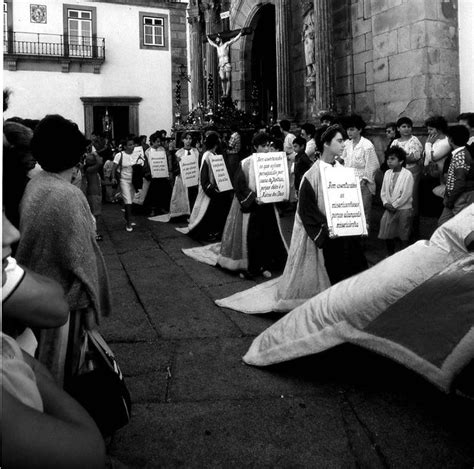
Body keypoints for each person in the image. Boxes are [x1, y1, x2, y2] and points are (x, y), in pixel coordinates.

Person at [16, 114, 111, 386]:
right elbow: (82, 259)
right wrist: (91, 307)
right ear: (76, 154)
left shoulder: (36, 184)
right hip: (64, 305)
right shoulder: (67, 195)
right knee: (65, 375)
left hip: (36, 296)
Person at [298, 125, 368, 284]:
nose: (344, 144)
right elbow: (306, 210)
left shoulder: (344, 170)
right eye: (340, 140)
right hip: (328, 238)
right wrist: (325, 229)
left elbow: (352, 201)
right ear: (326, 143)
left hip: (347, 234)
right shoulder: (311, 176)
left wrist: (360, 223)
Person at [218, 133, 288, 278]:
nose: (267, 149)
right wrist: (253, 199)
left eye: (268, 145)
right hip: (252, 208)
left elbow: (279, 182)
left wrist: (280, 193)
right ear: (255, 147)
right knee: (252, 236)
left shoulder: (274, 161)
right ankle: (253, 267)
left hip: (268, 206)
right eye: (263, 146)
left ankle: (266, 264)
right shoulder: (246, 163)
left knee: (268, 234)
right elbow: (239, 185)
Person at [180, 132, 233, 241]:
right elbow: (204, 175)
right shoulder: (207, 155)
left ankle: (214, 231)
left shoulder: (212, 154)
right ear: (216, 144)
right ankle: (207, 233)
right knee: (206, 213)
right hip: (208, 189)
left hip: (214, 187)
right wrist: (209, 187)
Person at [341, 115, 379, 230]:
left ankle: (362, 236)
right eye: (347, 129)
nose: (349, 132)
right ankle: (351, 234)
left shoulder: (367, 145)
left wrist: (364, 180)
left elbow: (373, 165)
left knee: (363, 210)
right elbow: (342, 160)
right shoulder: (347, 144)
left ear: (360, 130)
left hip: (363, 183)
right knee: (350, 209)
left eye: (352, 129)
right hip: (348, 181)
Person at [390, 117, 423, 239]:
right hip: (398, 173)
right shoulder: (395, 142)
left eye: (409, 126)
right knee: (397, 198)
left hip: (412, 172)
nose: (407, 129)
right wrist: (403, 157)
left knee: (411, 199)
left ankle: (412, 232)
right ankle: (399, 230)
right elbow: (391, 158)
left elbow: (414, 157)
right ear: (398, 128)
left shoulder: (414, 140)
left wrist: (399, 158)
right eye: (403, 126)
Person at [378, 146, 414, 255]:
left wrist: (395, 205)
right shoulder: (387, 173)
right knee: (388, 232)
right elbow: (383, 191)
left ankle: (404, 256)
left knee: (403, 233)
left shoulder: (407, 174)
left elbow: (406, 194)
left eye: (393, 159)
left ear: (401, 161)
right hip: (389, 208)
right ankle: (390, 254)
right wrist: (386, 203)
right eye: (388, 159)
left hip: (403, 208)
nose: (389, 161)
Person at [438, 125, 474, 226]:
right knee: (443, 224)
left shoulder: (461, 155)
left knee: (460, 226)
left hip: (459, 197)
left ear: (450, 139)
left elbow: (460, 182)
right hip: (454, 196)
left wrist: (450, 200)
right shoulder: (459, 154)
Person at [111, 135, 144, 231]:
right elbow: (114, 168)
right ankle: (129, 223)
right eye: (130, 145)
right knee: (128, 200)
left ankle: (127, 215)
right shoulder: (119, 155)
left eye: (133, 144)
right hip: (124, 180)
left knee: (131, 200)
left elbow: (142, 164)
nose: (132, 146)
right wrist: (113, 178)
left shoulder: (137, 154)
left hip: (133, 181)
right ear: (125, 146)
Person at [170, 132, 199, 218]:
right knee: (183, 195)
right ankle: (183, 213)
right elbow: (175, 168)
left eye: (190, 139)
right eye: (186, 139)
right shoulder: (179, 152)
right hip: (182, 178)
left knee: (193, 194)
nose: (188, 141)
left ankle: (193, 213)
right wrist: (178, 163)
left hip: (193, 176)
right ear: (183, 140)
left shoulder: (195, 151)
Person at [144, 131, 173, 217]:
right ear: (152, 142)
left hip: (162, 173)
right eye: (157, 142)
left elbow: (165, 160)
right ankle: (152, 209)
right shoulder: (147, 151)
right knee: (153, 191)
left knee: (163, 190)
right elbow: (146, 163)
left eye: (160, 142)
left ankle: (162, 207)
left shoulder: (162, 149)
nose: (159, 143)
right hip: (153, 175)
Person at [207, 30, 243, 97]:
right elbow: (211, 43)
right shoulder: (218, 47)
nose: (216, 41)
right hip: (221, 65)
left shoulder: (225, 45)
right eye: (216, 40)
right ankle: (224, 92)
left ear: (220, 40)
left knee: (227, 78)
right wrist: (208, 38)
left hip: (226, 63)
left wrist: (240, 34)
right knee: (223, 79)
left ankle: (227, 93)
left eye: (217, 40)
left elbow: (233, 40)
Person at [82, 142, 104, 241]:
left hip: (95, 192)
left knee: (96, 213)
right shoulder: (90, 169)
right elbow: (100, 162)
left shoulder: (90, 169)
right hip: (93, 193)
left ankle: (93, 231)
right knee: (95, 214)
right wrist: (95, 153)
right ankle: (93, 233)